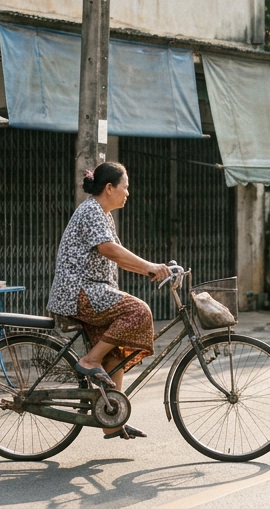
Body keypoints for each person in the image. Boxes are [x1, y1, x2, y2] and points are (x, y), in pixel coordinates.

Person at [46, 161, 171, 440]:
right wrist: (150, 266)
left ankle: (112, 418)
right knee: (139, 311)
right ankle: (90, 360)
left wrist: (151, 269)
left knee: (115, 353)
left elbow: (119, 257)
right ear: (110, 187)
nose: (128, 193)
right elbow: (109, 249)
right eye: (125, 187)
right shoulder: (91, 210)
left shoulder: (103, 214)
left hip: (92, 291)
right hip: (79, 291)